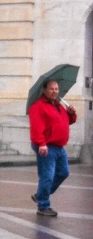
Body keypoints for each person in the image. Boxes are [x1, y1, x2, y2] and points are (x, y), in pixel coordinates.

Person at [29, 79, 77, 217]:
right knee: (47, 176)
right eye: (51, 89)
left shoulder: (58, 105)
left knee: (63, 172)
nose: (55, 91)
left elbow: (66, 121)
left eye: (56, 89)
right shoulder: (38, 106)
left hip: (59, 146)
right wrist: (41, 143)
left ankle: (40, 195)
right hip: (47, 146)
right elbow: (36, 127)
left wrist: (71, 113)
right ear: (44, 90)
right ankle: (43, 206)